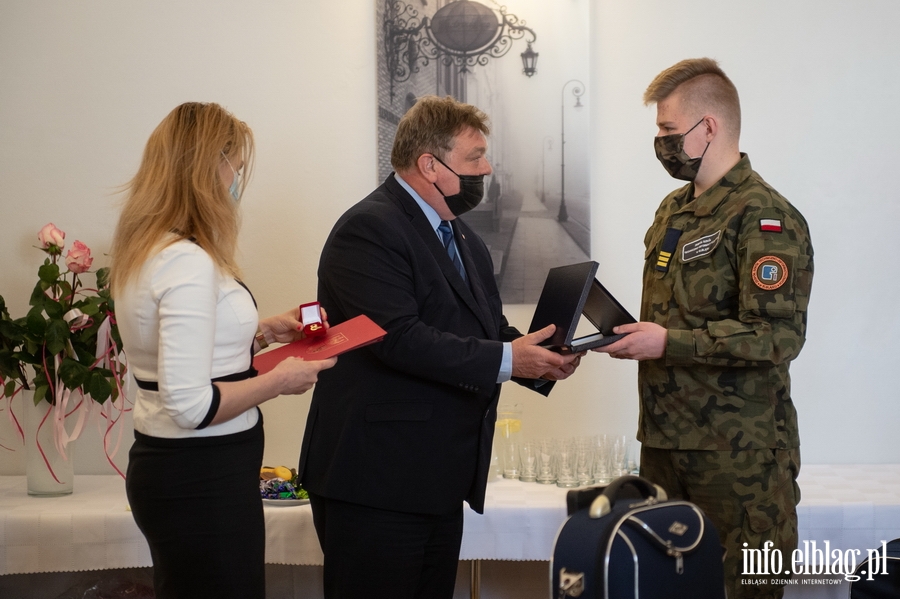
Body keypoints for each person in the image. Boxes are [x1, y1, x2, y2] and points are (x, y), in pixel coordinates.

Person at [298, 95, 582, 599]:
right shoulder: (369, 228)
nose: (487, 167)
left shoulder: (464, 238)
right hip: (375, 483)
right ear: (429, 164)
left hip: (437, 481)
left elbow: (487, 329)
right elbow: (399, 339)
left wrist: (540, 359)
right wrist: (510, 359)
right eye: (474, 157)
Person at [596, 58, 814, 598]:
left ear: (708, 127)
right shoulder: (674, 210)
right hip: (667, 445)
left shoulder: (764, 217)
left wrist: (667, 343)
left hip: (738, 458)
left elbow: (777, 337)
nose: (661, 143)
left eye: (668, 131)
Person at [109, 102, 336, 599]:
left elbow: (173, 348)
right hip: (200, 479)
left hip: (178, 471)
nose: (238, 178)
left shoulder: (151, 249)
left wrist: (260, 331)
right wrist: (281, 380)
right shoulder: (185, 262)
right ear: (208, 166)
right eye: (235, 163)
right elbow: (193, 406)